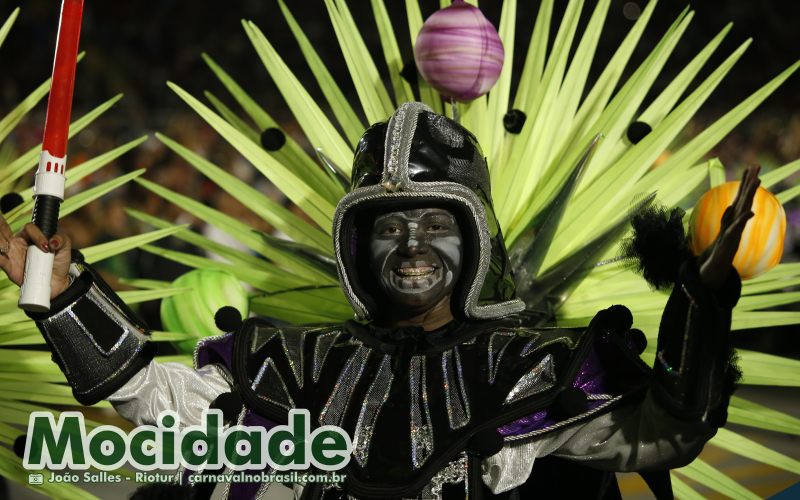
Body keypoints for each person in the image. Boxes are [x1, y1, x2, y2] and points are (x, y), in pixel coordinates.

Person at [1, 102, 758, 499]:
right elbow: (157, 400)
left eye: (436, 222)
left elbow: (665, 433)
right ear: (357, 246)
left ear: (474, 240)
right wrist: (63, 295)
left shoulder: (537, 370)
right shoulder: (287, 363)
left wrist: (705, 297)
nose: (412, 244)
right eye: (388, 225)